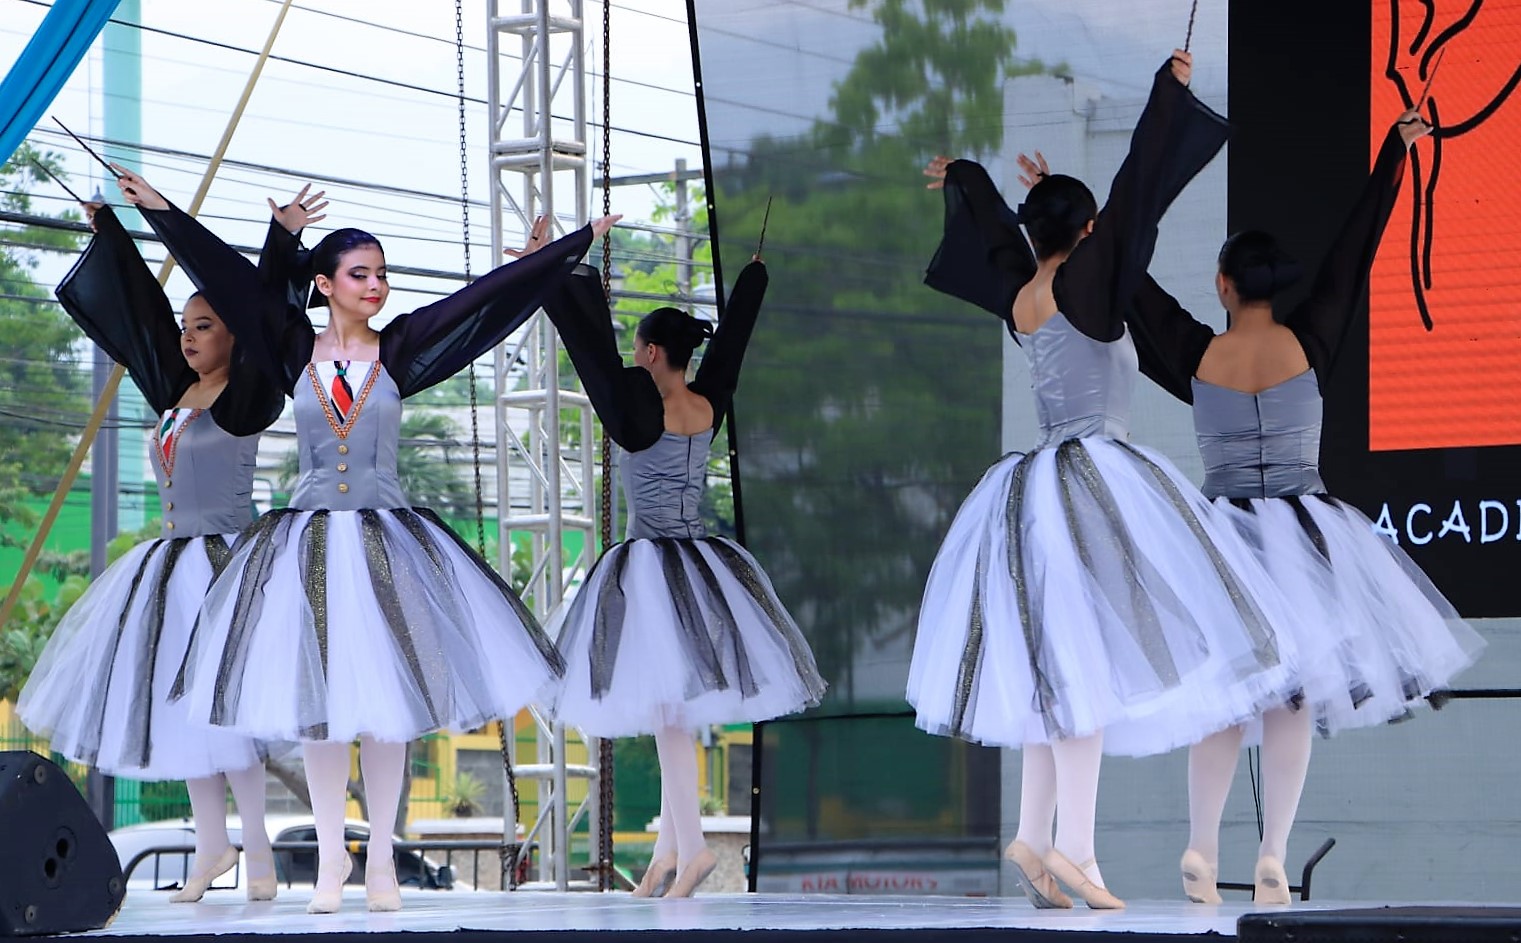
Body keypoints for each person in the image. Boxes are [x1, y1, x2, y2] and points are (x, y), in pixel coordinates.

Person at [114, 165, 614, 914]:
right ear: (324, 284)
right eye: (359, 273)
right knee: (322, 708)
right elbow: (227, 274)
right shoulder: (290, 349)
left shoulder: (402, 348)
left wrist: (564, 250)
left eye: (380, 273)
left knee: (386, 708)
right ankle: (328, 861)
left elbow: (481, 302)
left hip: (385, 542)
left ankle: (379, 856)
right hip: (307, 546)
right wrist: (167, 212)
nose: (375, 285)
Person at [910, 51, 1304, 910]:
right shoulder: (1090, 287)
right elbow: (1135, 194)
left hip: (1030, 489)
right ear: (1087, 236)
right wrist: (1165, 96)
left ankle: (1035, 831)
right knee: (1081, 667)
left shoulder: (1023, 293)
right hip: (1093, 478)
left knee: (1056, 663)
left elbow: (1000, 233)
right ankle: (1076, 850)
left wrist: (972, 177)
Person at [1113, 110, 1484, 904]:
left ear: (1221, 284)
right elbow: (1354, 254)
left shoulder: (1194, 352)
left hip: (1219, 537)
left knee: (1221, 694)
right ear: (1274, 286)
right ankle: (1273, 852)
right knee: (1290, 697)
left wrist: (1078, 239)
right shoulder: (1311, 338)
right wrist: (1391, 154)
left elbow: (1132, 292)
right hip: (1302, 537)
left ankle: (1200, 846)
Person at [16, 195, 301, 903]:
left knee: (227, 711)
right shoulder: (177, 392)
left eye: (204, 325)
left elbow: (266, 305)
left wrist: (282, 239)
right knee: (186, 716)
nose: (186, 336)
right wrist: (111, 229)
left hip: (229, 568)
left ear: (236, 336)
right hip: (171, 568)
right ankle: (213, 847)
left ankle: (258, 851)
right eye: (186, 326)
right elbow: (140, 307)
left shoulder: (245, 398)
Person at [529, 223, 825, 898]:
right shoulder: (707, 402)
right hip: (700, 561)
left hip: (651, 566)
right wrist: (752, 279)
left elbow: (593, 357)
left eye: (639, 348)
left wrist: (558, 270)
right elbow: (735, 343)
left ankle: (692, 851)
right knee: (674, 710)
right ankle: (667, 853)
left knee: (668, 712)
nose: (632, 357)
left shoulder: (642, 410)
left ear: (654, 350)